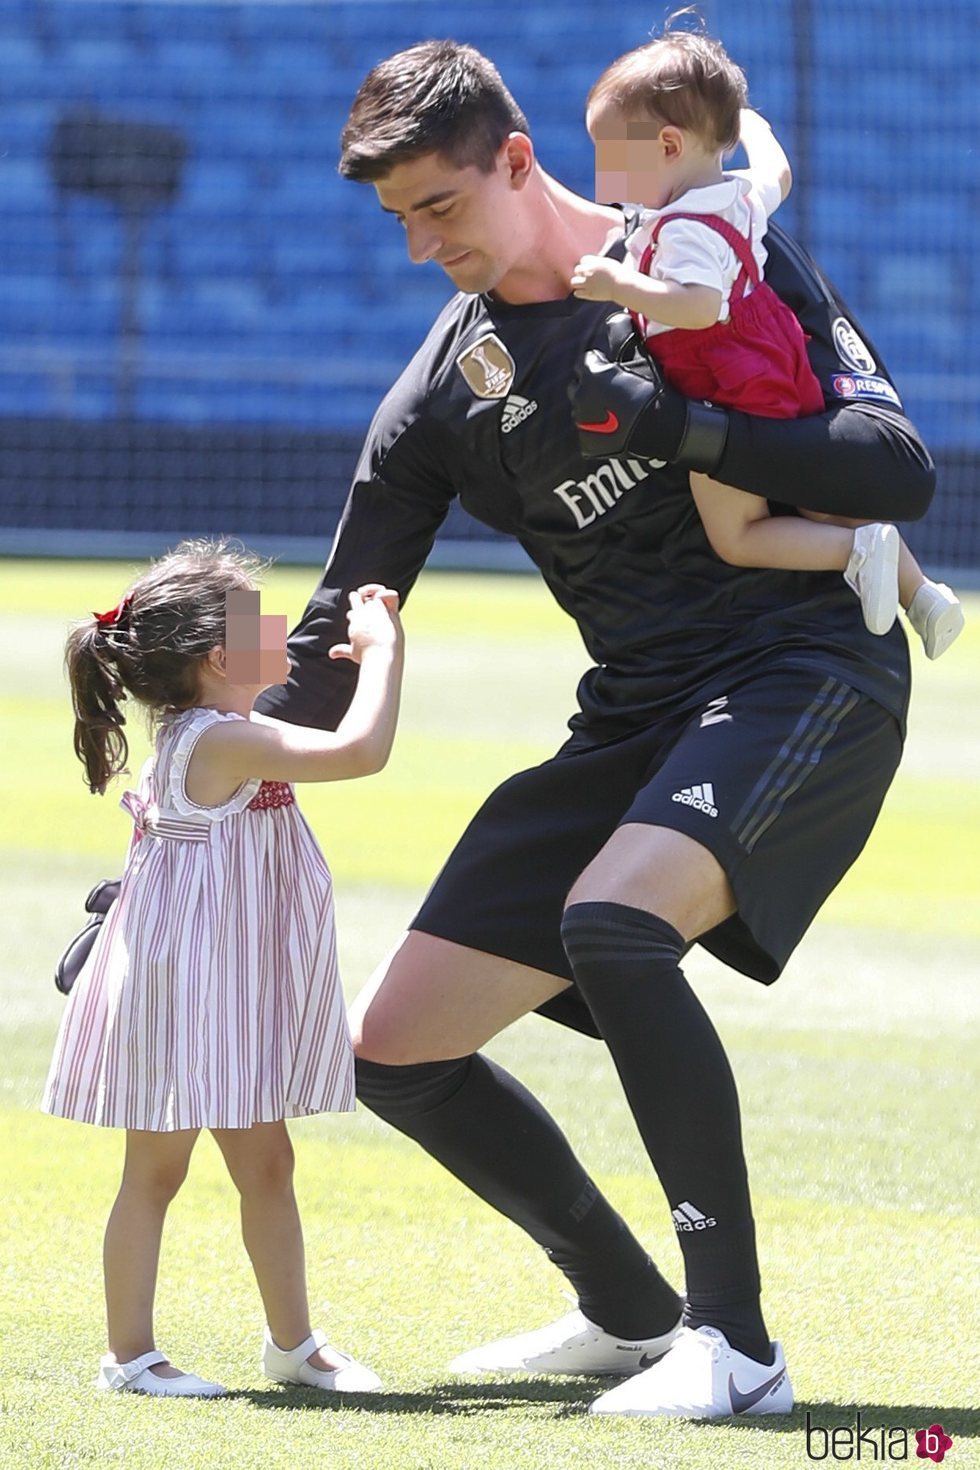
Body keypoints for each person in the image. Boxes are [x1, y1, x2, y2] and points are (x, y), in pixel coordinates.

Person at [259, 38, 932, 1419]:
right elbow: (338, 625)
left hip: (806, 665)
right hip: (635, 713)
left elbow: (894, 467)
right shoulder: (443, 392)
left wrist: (692, 428)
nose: (420, 246)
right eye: (397, 221)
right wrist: (179, 823)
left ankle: (733, 1345)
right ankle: (629, 1313)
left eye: (439, 205)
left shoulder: (710, 258)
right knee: (396, 1049)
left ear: (518, 159)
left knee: (612, 922)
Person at [43, 540, 403, 1398]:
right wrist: (386, 656)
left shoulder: (221, 729)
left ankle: (294, 1345)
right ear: (217, 655)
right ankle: (129, 1358)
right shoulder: (221, 739)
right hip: (190, 986)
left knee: (267, 1163)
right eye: (258, 619)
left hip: (226, 981)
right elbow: (361, 754)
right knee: (156, 1171)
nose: (277, 627)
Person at [570, 24, 963, 658]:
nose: (601, 173)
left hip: (722, 383)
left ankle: (856, 553)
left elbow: (698, 308)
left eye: (610, 155)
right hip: (776, 362)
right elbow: (776, 167)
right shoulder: (741, 197)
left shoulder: (682, 231)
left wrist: (621, 284)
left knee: (739, 533)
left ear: (668, 146)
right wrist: (752, 127)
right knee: (819, 499)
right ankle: (924, 596)